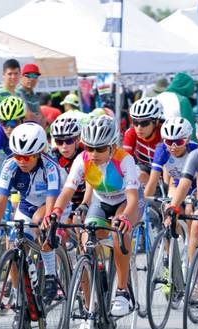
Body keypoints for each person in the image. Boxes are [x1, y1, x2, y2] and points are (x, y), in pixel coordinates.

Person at [50, 116, 142, 317]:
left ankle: (122, 291)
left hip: (124, 202)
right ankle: (89, 303)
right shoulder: (82, 159)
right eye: (89, 147)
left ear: (112, 146)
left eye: (100, 149)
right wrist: (56, 211)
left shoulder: (124, 159)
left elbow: (133, 199)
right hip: (101, 202)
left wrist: (126, 217)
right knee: (86, 241)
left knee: (120, 231)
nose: (93, 154)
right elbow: (67, 190)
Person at [0, 123, 68, 298]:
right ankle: (19, 298)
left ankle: (50, 275)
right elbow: (1, 199)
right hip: (27, 204)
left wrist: (47, 221)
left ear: (39, 153)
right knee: (15, 247)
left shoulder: (50, 167)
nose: (22, 161)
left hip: (53, 202)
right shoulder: (9, 166)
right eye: (18, 156)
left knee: (42, 223)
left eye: (28, 157)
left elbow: (51, 200)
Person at [165, 115, 198, 274]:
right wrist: (173, 207)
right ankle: (195, 279)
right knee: (196, 225)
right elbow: (184, 183)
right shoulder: (197, 155)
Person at [144, 117, 198, 199]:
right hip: (177, 184)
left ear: (188, 139)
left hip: (197, 184)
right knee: (169, 209)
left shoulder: (195, 150)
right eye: (169, 142)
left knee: (190, 209)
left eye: (179, 142)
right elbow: (152, 182)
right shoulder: (162, 151)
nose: (173, 147)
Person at [49, 114, 86, 214]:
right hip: (66, 199)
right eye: (59, 142)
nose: (64, 146)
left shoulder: (87, 153)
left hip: (87, 198)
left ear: (77, 139)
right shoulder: (53, 156)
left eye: (69, 141)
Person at [123, 97, 164, 184]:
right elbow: (125, 162)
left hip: (166, 169)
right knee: (140, 175)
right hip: (144, 168)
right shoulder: (131, 133)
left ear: (156, 122)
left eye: (144, 123)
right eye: (135, 122)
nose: (139, 128)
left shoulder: (164, 132)